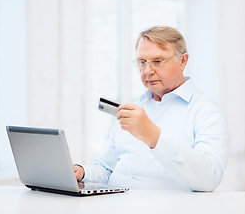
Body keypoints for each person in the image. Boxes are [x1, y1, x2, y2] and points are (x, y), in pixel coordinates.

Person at [74, 26, 229, 191]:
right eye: (142, 62)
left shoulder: (206, 112)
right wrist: (82, 172)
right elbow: (106, 168)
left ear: (183, 61)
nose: (147, 71)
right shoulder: (134, 108)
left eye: (157, 61)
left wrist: (153, 136)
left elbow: (209, 178)